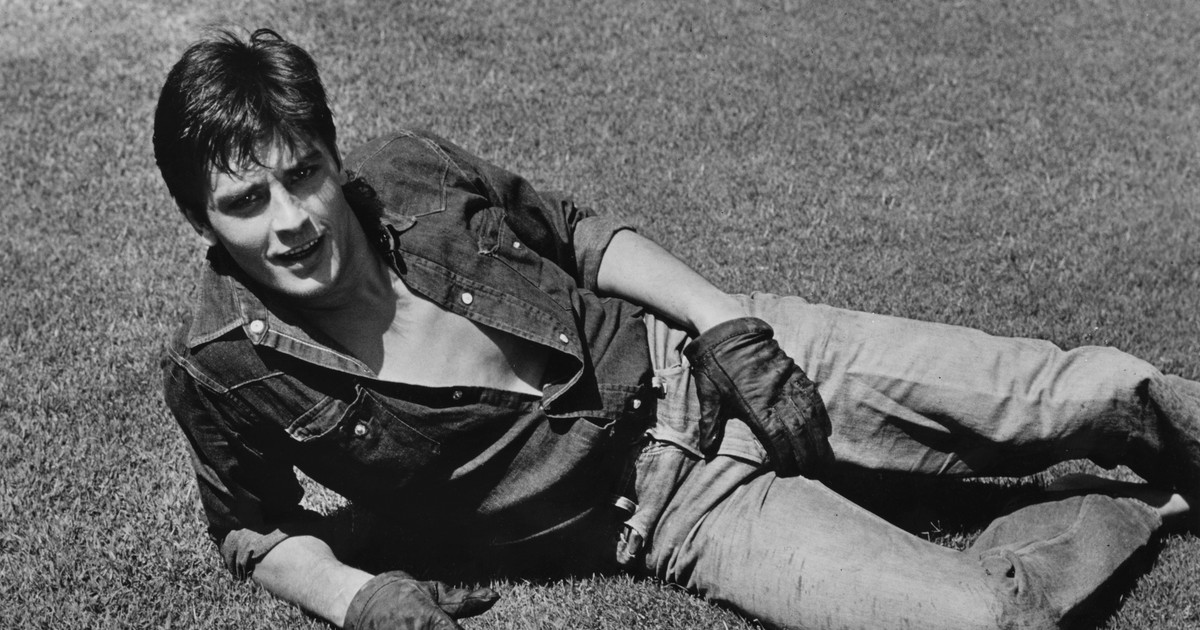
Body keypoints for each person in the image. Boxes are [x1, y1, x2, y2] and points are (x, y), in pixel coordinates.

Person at [154, 28, 1200, 630]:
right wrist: (359, 601)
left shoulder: (409, 171)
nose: (289, 221)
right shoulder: (221, 366)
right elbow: (252, 527)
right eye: (245, 203)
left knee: (1086, 391)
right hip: (671, 512)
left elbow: (575, 233)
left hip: (705, 358)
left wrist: (723, 320)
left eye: (301, 175)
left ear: (333, 156)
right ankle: (1144, 505)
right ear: (202, 220)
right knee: (985, 621)